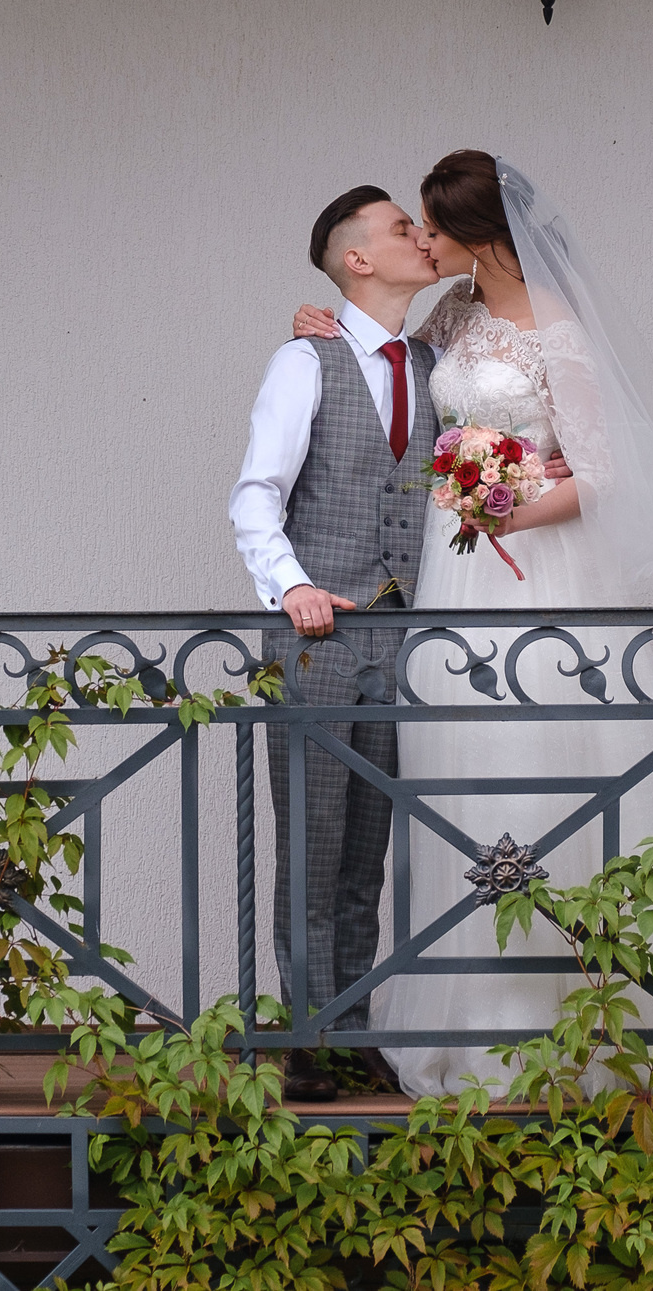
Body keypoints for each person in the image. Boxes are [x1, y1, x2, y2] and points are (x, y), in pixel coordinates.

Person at [288, 150, 653, 1096]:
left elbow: (602, 474)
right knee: (457, 773)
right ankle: (467, 1011)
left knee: (539, 768)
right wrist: (317, 325)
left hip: (534, 573)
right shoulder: (455, 315)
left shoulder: (557, 330)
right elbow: (393, 362)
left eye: (431, 226)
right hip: (455, 578)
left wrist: (507, 508)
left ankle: (560, 1022)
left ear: (480, 235)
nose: (421, 239)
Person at [228, 184, 443, 1101]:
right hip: (319, 640)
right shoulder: (304, 361)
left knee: (371, 848)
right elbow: (255, 495)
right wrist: (292, 585)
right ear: (357, 258)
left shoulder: (436, 361)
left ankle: (352, 1026)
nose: (420, 237)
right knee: (314, 843)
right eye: (403, 228)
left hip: (408, 639)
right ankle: (309, 1036)